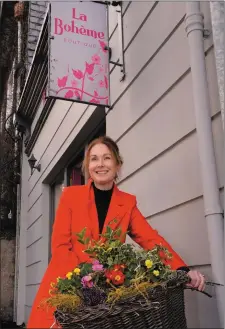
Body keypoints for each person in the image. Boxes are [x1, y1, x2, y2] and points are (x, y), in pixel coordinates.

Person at [27, 136, 205, 328]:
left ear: (117, 164)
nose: (100, 164)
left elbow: (150, 238)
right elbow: (60, 246)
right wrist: (84, 280)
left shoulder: (127, 203)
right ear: (88, 166)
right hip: (65, 286)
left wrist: (182, 269)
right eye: (94, 159)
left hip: (103, 295)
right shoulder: (71, 197)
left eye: (107, 158)